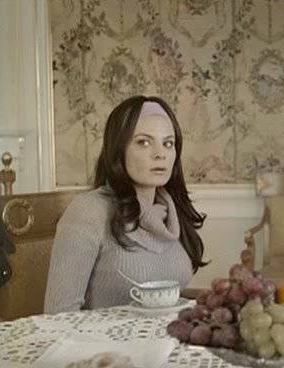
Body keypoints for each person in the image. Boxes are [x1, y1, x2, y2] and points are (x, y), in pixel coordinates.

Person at [45, 96, 207, 313]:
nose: (160, 154)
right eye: (143, 142)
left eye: (168, 143)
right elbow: (58, 314)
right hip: (105, 336)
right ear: (118, 149)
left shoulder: (173, 211)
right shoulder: (88, 210)